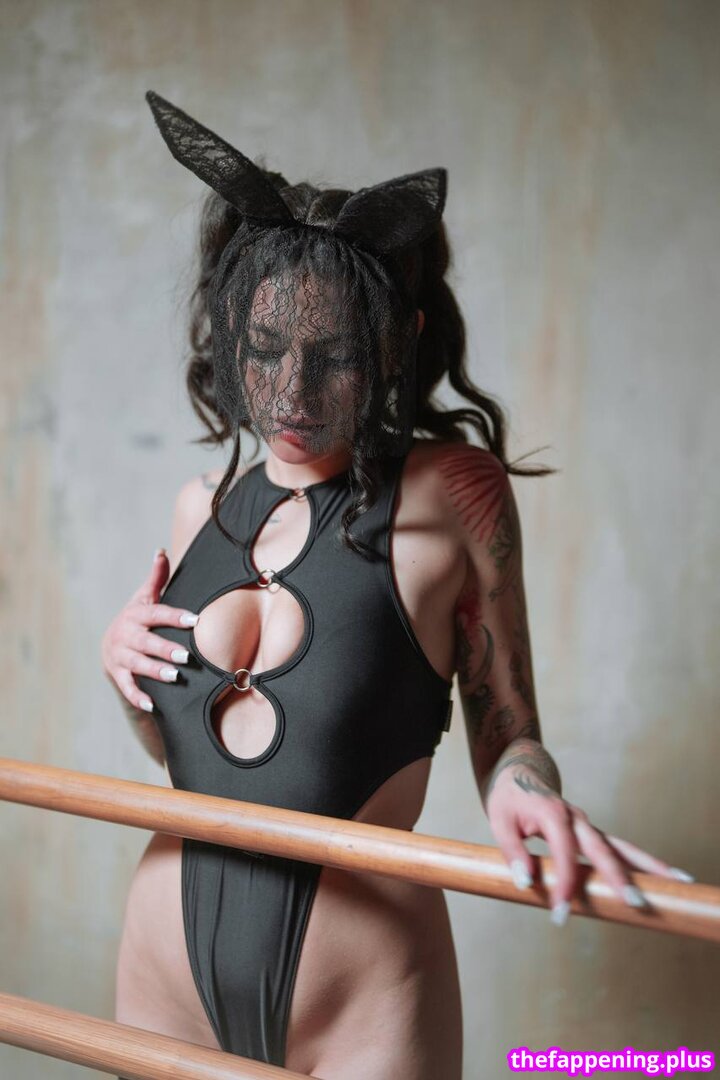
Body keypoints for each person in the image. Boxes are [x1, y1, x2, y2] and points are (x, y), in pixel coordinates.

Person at [100, 92, 692, 1080]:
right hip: (164, 977)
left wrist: (527, 794)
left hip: (366, 991)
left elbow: (509, 730)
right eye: (265, 348)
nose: (293, 393)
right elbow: (184, 749)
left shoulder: (457, 492)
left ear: (394, 339)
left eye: (332, 355)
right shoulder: (197, 507)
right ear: (231, 330)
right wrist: (125, 670)